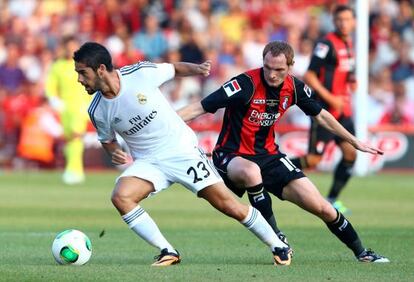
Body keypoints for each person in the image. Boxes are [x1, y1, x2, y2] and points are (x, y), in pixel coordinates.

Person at [73, 42, 291, 267]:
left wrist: (197, 69)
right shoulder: (97, 109)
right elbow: (107, 140)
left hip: (180, 150)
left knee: (229, 205)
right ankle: (167, 251)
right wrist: (114, 152)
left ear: (100, 69)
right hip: (149, 162)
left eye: (82, 72)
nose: (79, 79)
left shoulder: (139, 74)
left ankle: (278, 245)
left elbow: (174, 69)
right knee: (121, 196)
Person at [177, 40, 389, 263]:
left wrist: (353, 140)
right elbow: (198, 108)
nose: (272, 74)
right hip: (231, 155)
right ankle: (278, 240)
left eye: (278, 69)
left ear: (290, 66)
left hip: (269, 156)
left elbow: (322, 115)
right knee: (251, 173)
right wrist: (163, 123)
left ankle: (362, 252)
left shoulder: (295, 88)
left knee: (323, 207)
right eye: (267, 67)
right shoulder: (244, 84)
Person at [290, 5, 357, 213]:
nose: (343, 23)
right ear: (334, 21)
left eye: (347, 20)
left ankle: (331, 198)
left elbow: (345, 71)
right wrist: (331, 98)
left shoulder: (348, 43)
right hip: (325, 112)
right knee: (313, 160)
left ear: (353, 22)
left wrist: (352, 81)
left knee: (350, 153)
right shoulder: (325, 44)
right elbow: (310, 76)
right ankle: (269, 167)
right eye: (339, 20)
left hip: (343, 112)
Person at [46, 36, 92, 184]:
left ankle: (74, 171)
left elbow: (94, 82)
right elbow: (50, 85)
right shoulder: (58, 66)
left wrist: (91, 102)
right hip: (65, 107)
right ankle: (74, 169)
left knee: (75, 135)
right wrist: (54, 99)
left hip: (81, 105)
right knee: (69, 139)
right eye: (68, 46)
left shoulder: (85, 64)